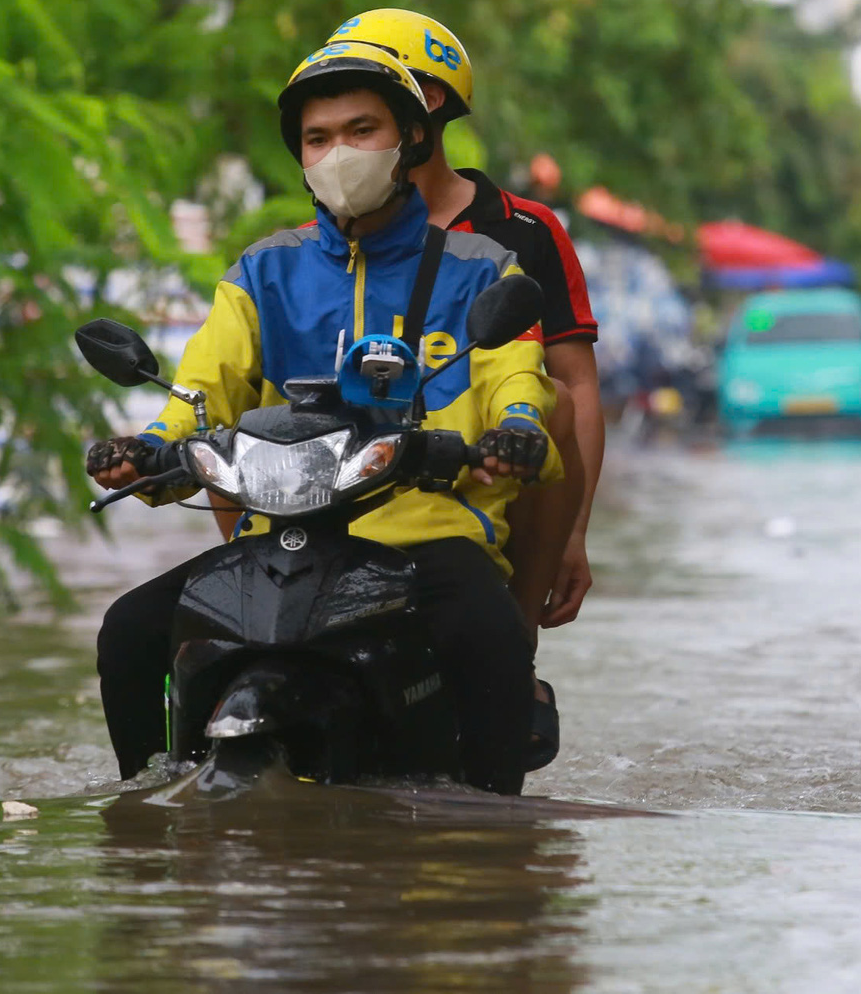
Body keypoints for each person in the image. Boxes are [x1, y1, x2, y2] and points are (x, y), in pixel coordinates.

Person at [88, 40, 562, 795]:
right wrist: (147, 452)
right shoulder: (261, 271)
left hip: (426, 537)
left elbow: (517, 380)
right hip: (279, 538)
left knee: (491, 633)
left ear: (410, 138)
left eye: (361, 130)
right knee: (130, 631)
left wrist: (515, 433)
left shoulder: (482, 269)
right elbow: (198, 392)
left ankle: (494, 844)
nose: (338, 151)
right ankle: (146, 818)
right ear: (300, 157)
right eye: (318, 138)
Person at [323, 9, 603, 635]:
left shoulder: (523, 231)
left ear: (425, 100)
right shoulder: (317, 240)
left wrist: (572, 532)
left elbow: (576, 386)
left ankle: (516, 654)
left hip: (488, 468)